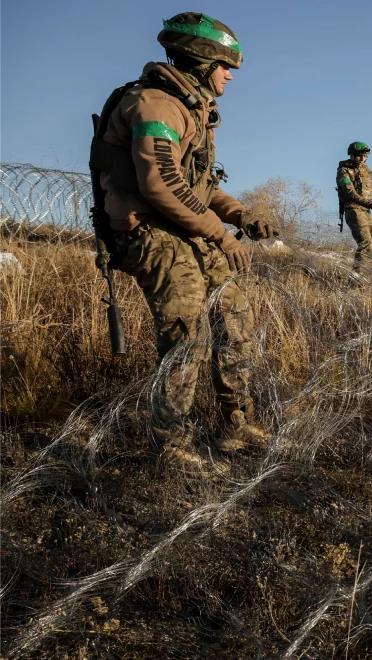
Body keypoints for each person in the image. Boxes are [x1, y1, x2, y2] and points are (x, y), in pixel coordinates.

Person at [90, 12, 277, 473]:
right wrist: (219, 233)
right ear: (201, 62)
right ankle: (170, 444)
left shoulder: (192, 109)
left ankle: (237, 422)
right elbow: (161, 186)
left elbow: (198, 185)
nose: (230, 75)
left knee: (234, 317)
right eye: (225, 65)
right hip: (151, 231)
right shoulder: (155, 104)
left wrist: (240, 214)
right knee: (186, 334)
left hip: (181, 226)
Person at [336, 142, 372, 270]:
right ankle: (356, 279)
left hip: (367, 211)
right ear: (351, 155)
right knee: (366, 244)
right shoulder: (344, 171)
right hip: (354, 210)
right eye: (359, 156)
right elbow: (350, 193)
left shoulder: (366, 170)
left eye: (365, 156)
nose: (363, 159)